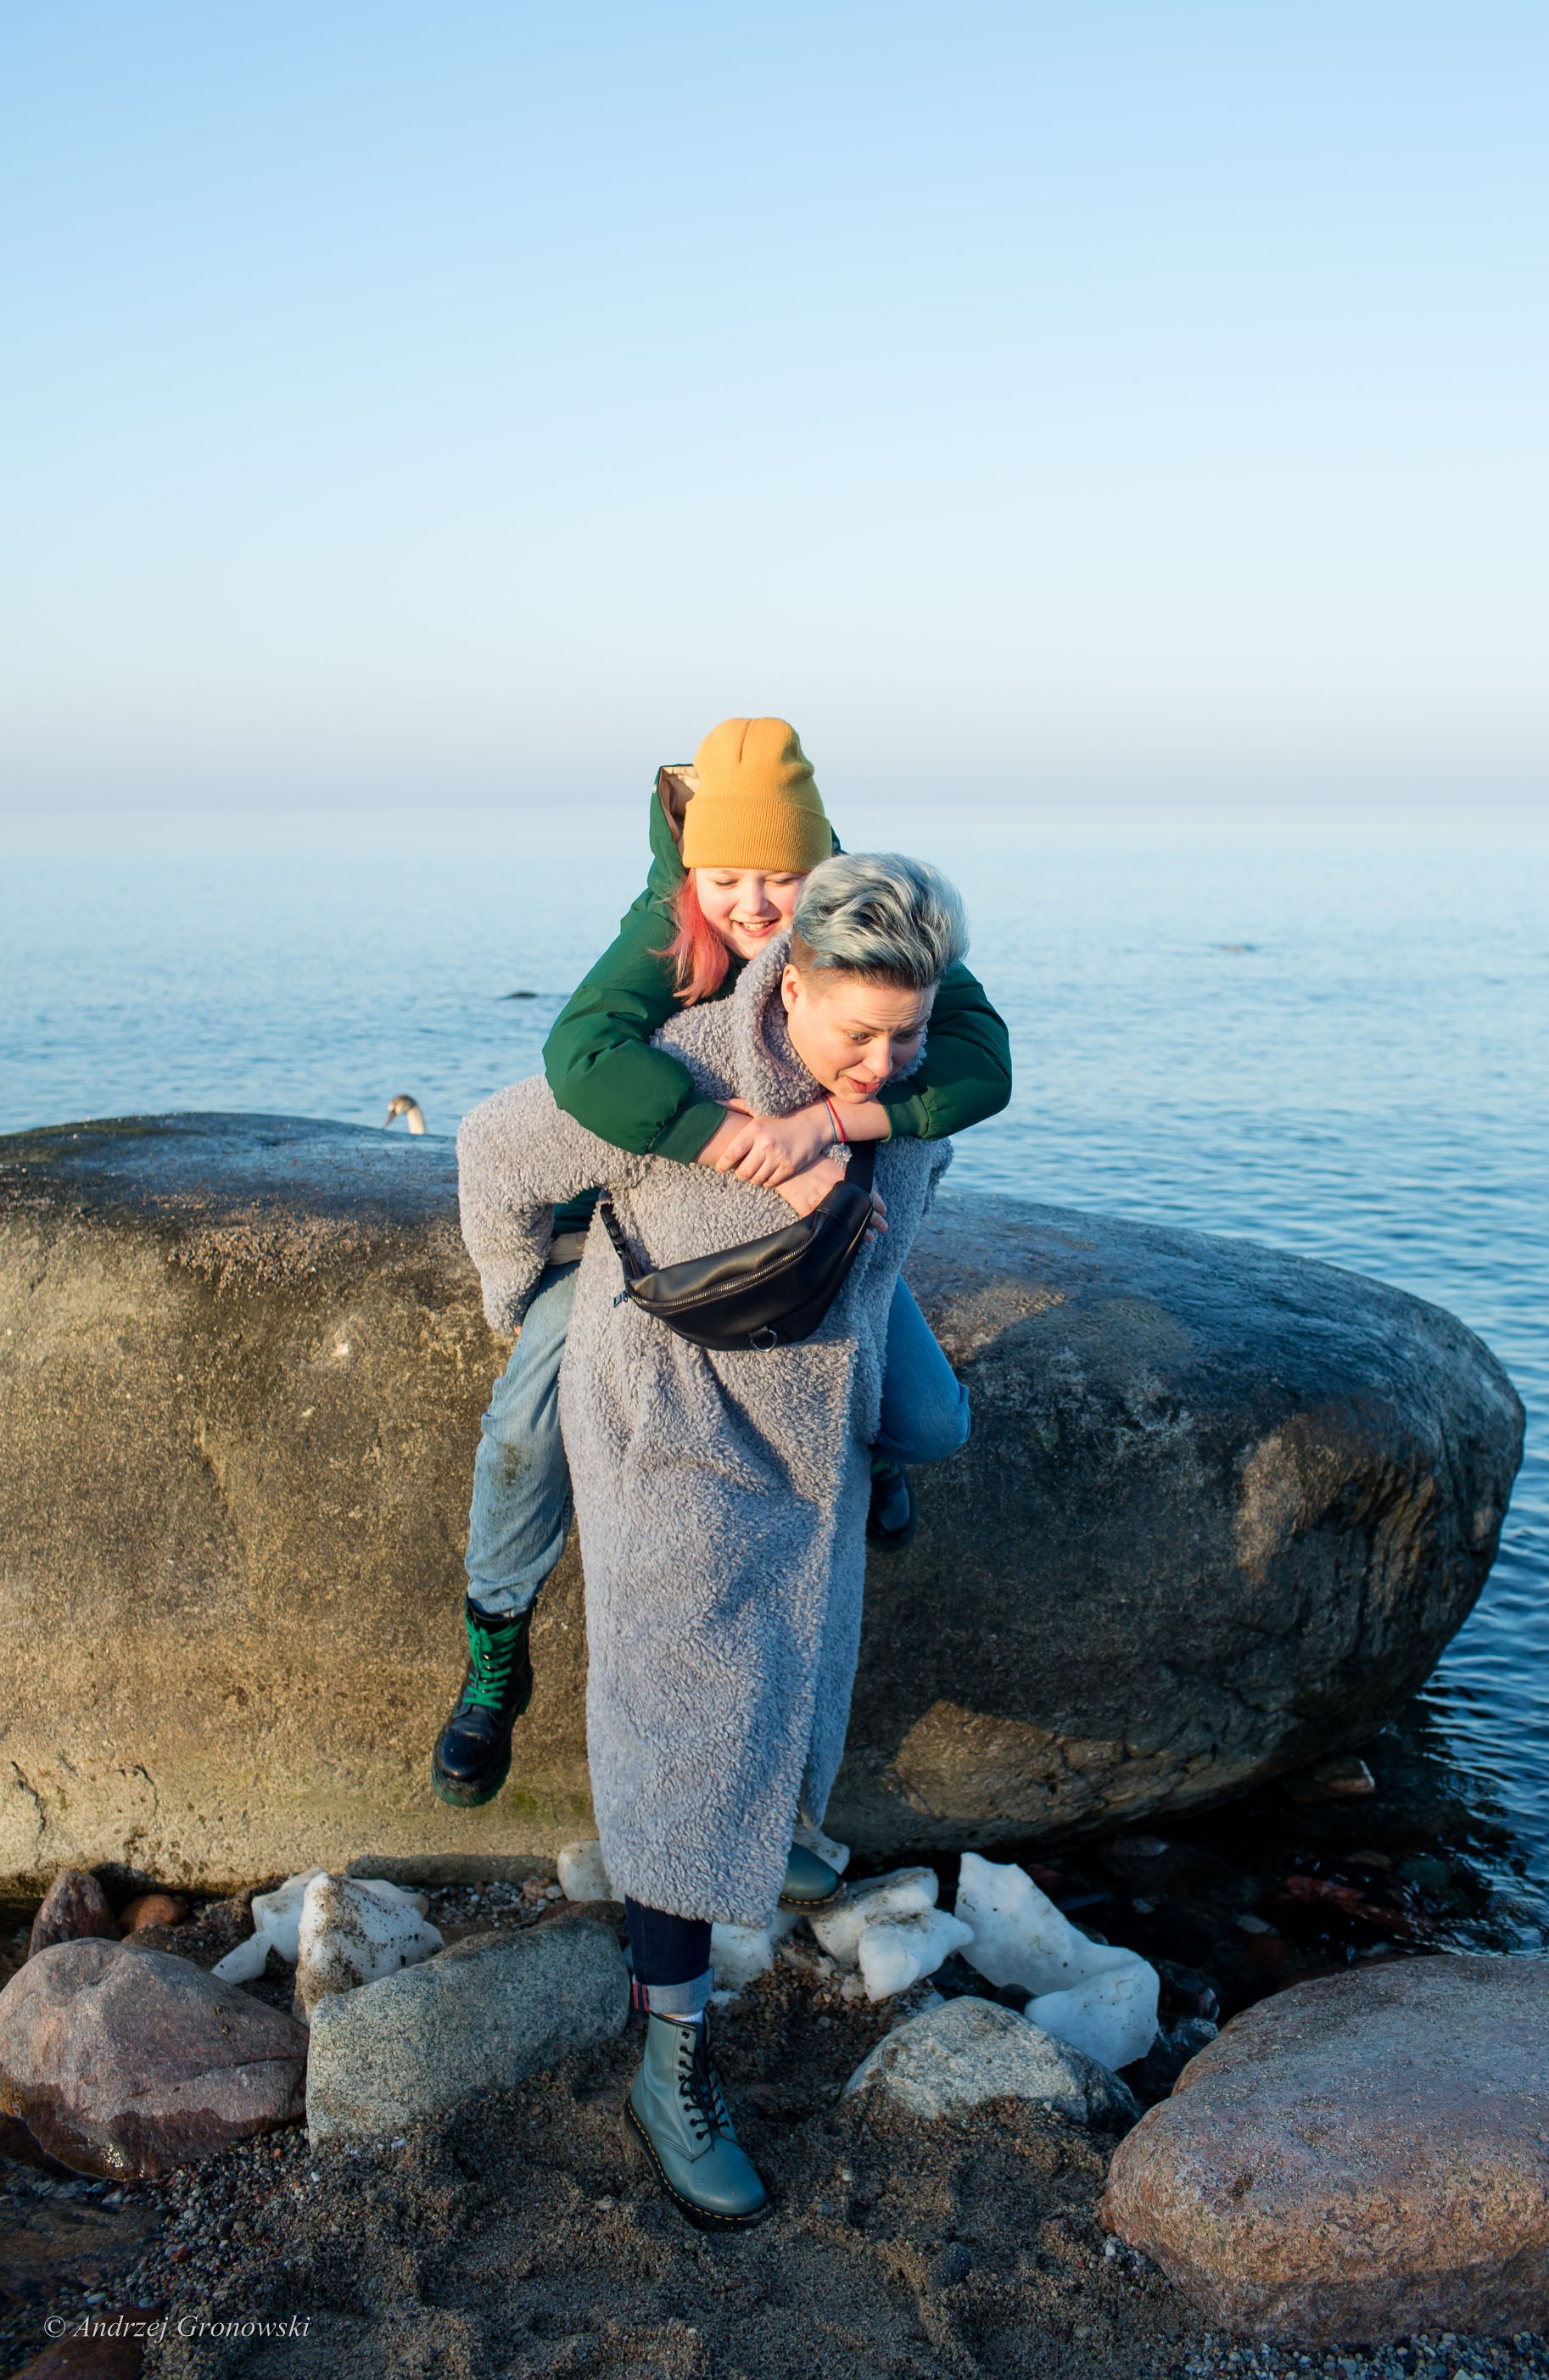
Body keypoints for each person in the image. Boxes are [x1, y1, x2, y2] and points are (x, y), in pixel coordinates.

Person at [456, 852, 965, 2227]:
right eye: (854, 1032)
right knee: (682, 1735)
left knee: (799, 1676)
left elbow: (905, 1215)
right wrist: (524, 1292)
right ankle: (671, 2066)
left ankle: (770, 1824)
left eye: (905, 1034)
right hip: (672, 1430)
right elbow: (498, 1151)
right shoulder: (672, 1075)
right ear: (783, 982)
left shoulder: (915, 1084)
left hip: (819, 1426)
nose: (881, 1060)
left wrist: (880, 1109)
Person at [432, 718, 1011, 1808]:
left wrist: (839, 1122)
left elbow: (982, 1064)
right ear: (689, 870)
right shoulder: (668, 931)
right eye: (725, 877)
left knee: (927, 1419)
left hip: (821, 1243)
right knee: (524, 1427)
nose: (752, 904)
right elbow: (576, 1061)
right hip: (645, 1232)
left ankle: (875, 1457)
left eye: (781, 876)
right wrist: (724, 1141)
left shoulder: (863, 930)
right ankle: (494, 1655)